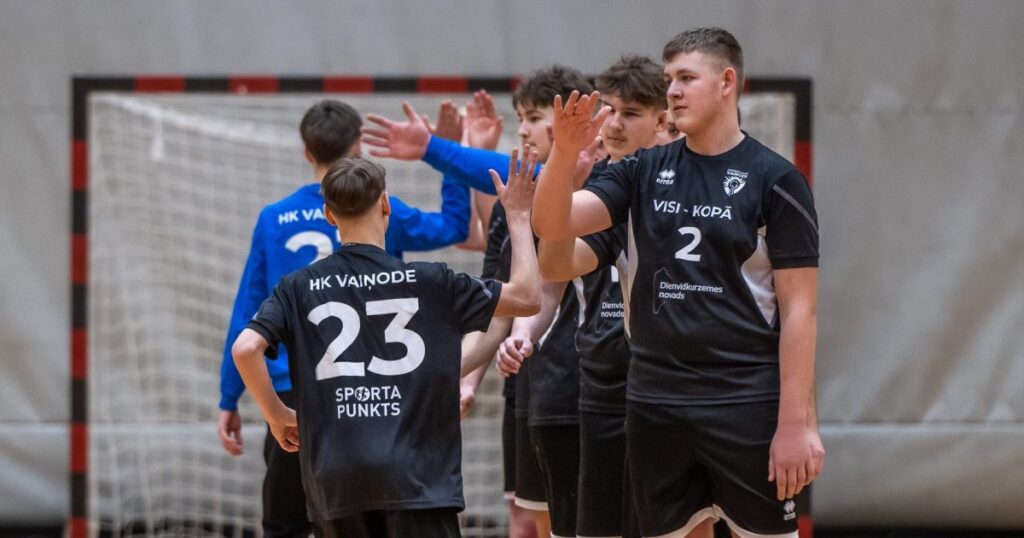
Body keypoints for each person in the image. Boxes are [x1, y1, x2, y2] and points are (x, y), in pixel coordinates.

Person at [531, 27, 825, 538]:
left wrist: (795, 424)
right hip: (655, 402)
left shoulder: (775, 180)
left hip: (744, 401)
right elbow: (552, 225)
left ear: (727, 82)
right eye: (669, 79)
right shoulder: (640, 171)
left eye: (686, 78)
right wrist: (563, 154)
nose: (672, 91)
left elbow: (800, 311)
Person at [231, 151, 541, 538]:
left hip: (336, 479)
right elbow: (528, 297)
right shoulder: (431, 281)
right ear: (385, 204)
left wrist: (276, 415)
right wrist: (518, 216)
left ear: (329, 215)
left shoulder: (296, 287)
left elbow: (245, 349)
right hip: (417, 479)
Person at [217, 99, 471, 536]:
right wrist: (449, 154)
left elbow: (248, 311)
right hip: (372, 389)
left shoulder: (273, 219)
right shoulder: (381, 207)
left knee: (285, 523)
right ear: (358, 147)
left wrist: (229, 397)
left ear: (307, 152)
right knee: (377, 513)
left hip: (294, 397)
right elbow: (454, 226)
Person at [361, 65, 594, 538]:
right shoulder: (519, 200)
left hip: (579, 378)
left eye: (534, 118)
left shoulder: (586, 180)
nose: (523, 130)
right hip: (528, 372)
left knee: (575, 521)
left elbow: (532, 288)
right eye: (521, 119)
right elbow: (495, 274)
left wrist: (434, 148)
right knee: (527, 517)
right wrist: (466, 378)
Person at [531, 53, 670, 538]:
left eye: (630, 113)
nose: (613, 124)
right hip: (601, 379)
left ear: (662, 120)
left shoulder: (684, 184)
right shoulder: (589, 184)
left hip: (672, 382)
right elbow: (552, 270)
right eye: (608, 111)